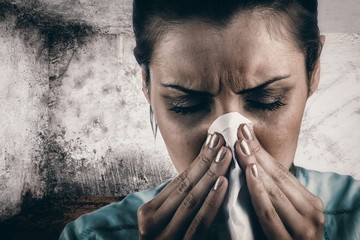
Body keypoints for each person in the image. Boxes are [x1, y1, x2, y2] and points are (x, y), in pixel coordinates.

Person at [59, 0, 360, 239]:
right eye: (186, 105)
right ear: (146, 85)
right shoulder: (90, 237)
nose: (229, 144)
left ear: (313, 71)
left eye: (268, 101)